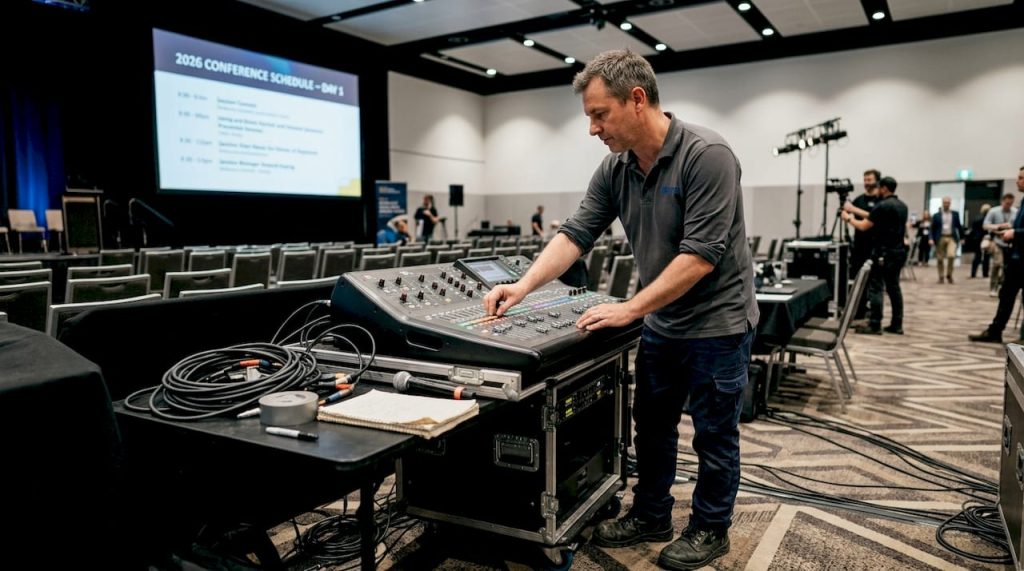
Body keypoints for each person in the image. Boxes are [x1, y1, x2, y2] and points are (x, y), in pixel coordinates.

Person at [483, 50, 758, 571]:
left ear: (637, 100)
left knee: (714, 434)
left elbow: (700, 257)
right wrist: (523, 286)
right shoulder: (616, 168)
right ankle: (652, 514)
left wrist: (630, 308)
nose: (592, 129)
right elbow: (576, 234)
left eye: (598, 114)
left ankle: (710, 528)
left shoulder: (708, 155)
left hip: (718, 324)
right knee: (650, 428)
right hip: (663, 320)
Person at [842, 176, 908, 334]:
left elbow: (864, 226)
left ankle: (875, 323)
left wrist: (849, 218)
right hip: (898, 252)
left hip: (882, 253)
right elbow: (875, 218)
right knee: (894, 288)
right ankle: (897, 324)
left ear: (884, 188)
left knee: (876, 287)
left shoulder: (882, 206)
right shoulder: (902, 206)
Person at [970, 167, 1024, 344]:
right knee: (1006, 295)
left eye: (1021, 178)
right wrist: (1011, 230)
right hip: (1016, 256)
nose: (1017, 181)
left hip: (1021, 257)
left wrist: (1015, 232)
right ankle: (995, 330)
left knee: (1008, 295)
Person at [842, 169, 882, 320]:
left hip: (875, 247)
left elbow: (876, 217)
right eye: (865, 180)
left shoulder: (881, 201)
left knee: (874, 284)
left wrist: (852, 210)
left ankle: (874, 316)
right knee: (857, 282)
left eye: (869, 180)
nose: (866, 183)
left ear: (877, 181)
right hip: (859, 247)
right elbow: (853, 218)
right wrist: (848, 213)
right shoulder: (859, 200)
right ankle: (858, 312)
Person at [984, 193, 1018, 297]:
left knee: (1007, 267)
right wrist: (999, 226)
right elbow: (985, 225)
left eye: (1011, 203)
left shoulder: (1015, 212)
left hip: (1010, 243)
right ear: (1002, 201)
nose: (1008, 205)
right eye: (1007, 203)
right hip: (997, 241)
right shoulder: (993, 211)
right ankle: (993, 287)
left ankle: (1001, 283)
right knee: (997, 263)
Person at [930, 196, 963, 284]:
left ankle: (949, 275)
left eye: (948, 202)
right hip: (940, 237)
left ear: (950, 203)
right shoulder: (936, 215)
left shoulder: (955, 214)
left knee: (951, 255)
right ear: (942, 203)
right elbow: (932, 228)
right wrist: (931, 239)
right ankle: (941, 276)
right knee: (940, 258)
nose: (946, 204)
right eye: (945, 202)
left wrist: (962, 238)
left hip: (951, 237)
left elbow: (959, 226)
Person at [969, 204, 991, 279]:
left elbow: (973, 229)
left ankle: (973, 273)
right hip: (986, 239)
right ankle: (985, 273)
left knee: (977, 256)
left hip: (977, 239)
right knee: (986, 257)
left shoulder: (977, 218)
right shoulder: (989, 219)